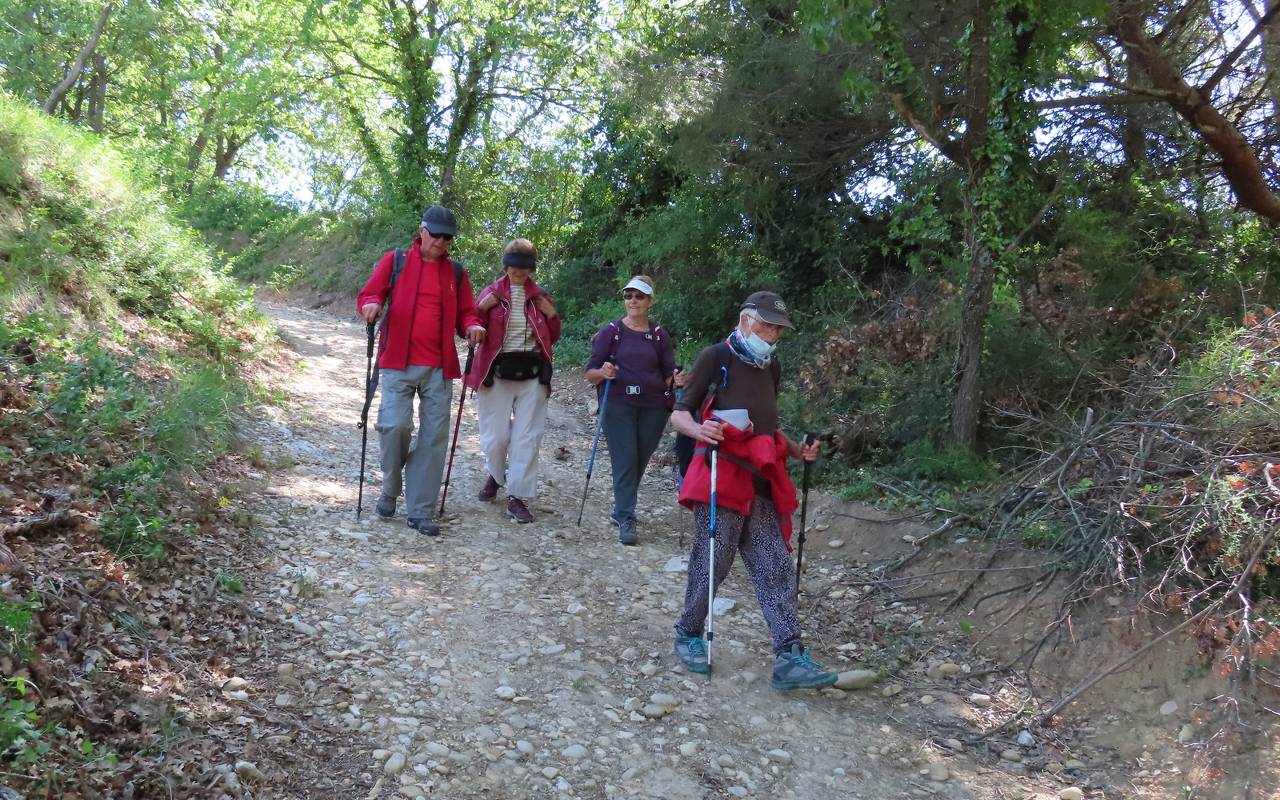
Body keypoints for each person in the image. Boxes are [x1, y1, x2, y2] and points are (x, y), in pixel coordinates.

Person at [668, 291, 836, 690]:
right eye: (768, 325)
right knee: (714, 562)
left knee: (775, 565)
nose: (774, 334)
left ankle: (789, 656)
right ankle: (688, 632)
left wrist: (797, 450)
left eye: (778, 328)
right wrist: (700, 429)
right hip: (721, 477)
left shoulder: (770, 366)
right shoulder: (716, 357)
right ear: (746, 320)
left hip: (760, 481)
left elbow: (766, 427)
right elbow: (679, 414)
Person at [356, 204, 485, 536]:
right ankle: (391, 486)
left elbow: (467, 313)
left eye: (448, 238)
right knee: (394, 426)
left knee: (433, 439)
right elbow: (370, 293)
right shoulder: (395, 261)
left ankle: (421, 509)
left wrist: (472, 326)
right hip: (397, 362)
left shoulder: (456, 273)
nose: (442, 242)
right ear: (422, 230)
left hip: (438, 368)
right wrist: (371, 304)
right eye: (438, 235)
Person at [466, 239, 562, 523]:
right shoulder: (491, 293)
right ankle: (496, 475)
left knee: (527, 437)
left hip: (533, 373)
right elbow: (471, 328)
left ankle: (517, 496)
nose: (519, 271)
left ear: (531, 268)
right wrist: (481, 310)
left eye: (525, 266)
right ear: (505, 265)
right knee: (496, 437)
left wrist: (551, 314)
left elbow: (552, 335)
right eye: (514, 265)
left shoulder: (541, 296)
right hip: (496, 372)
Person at [585, 276, 682, 545]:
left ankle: (620, 508)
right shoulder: (611, 332)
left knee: (639, 458)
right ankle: (626, 516)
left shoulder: (660, 335)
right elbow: (590, 373)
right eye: (628, 296)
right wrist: (602, 372)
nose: (633, 301)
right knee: (626, 457)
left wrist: (677, 380)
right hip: (617, 403)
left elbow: (667, 374)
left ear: (650, 301)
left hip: (653, 405)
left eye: (639, 297)